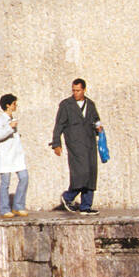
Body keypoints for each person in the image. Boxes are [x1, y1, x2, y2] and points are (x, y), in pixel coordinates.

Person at [51, 78, 104, 213]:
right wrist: (56, 143)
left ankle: (86, 206)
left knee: (91, 173)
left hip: (90, 144)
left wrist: (99, 129)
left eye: (78, 90)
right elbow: (59, 125)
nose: (75, 93)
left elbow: (96, 120)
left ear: (84, 90)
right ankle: (68, 196)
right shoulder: (66, 105)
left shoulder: (91, 105)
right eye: (73, 90)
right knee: (81, 173)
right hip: (75, 145)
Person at [0, 93, 29, 218]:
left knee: (24, 177)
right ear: (8, 105)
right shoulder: (0, 120)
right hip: (5, 156)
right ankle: (4, 209)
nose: (16, 106)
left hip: (16, 155)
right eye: (14, 104)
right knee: (5, 182)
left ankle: (18, 206)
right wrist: (10, 128)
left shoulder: (12, 119)